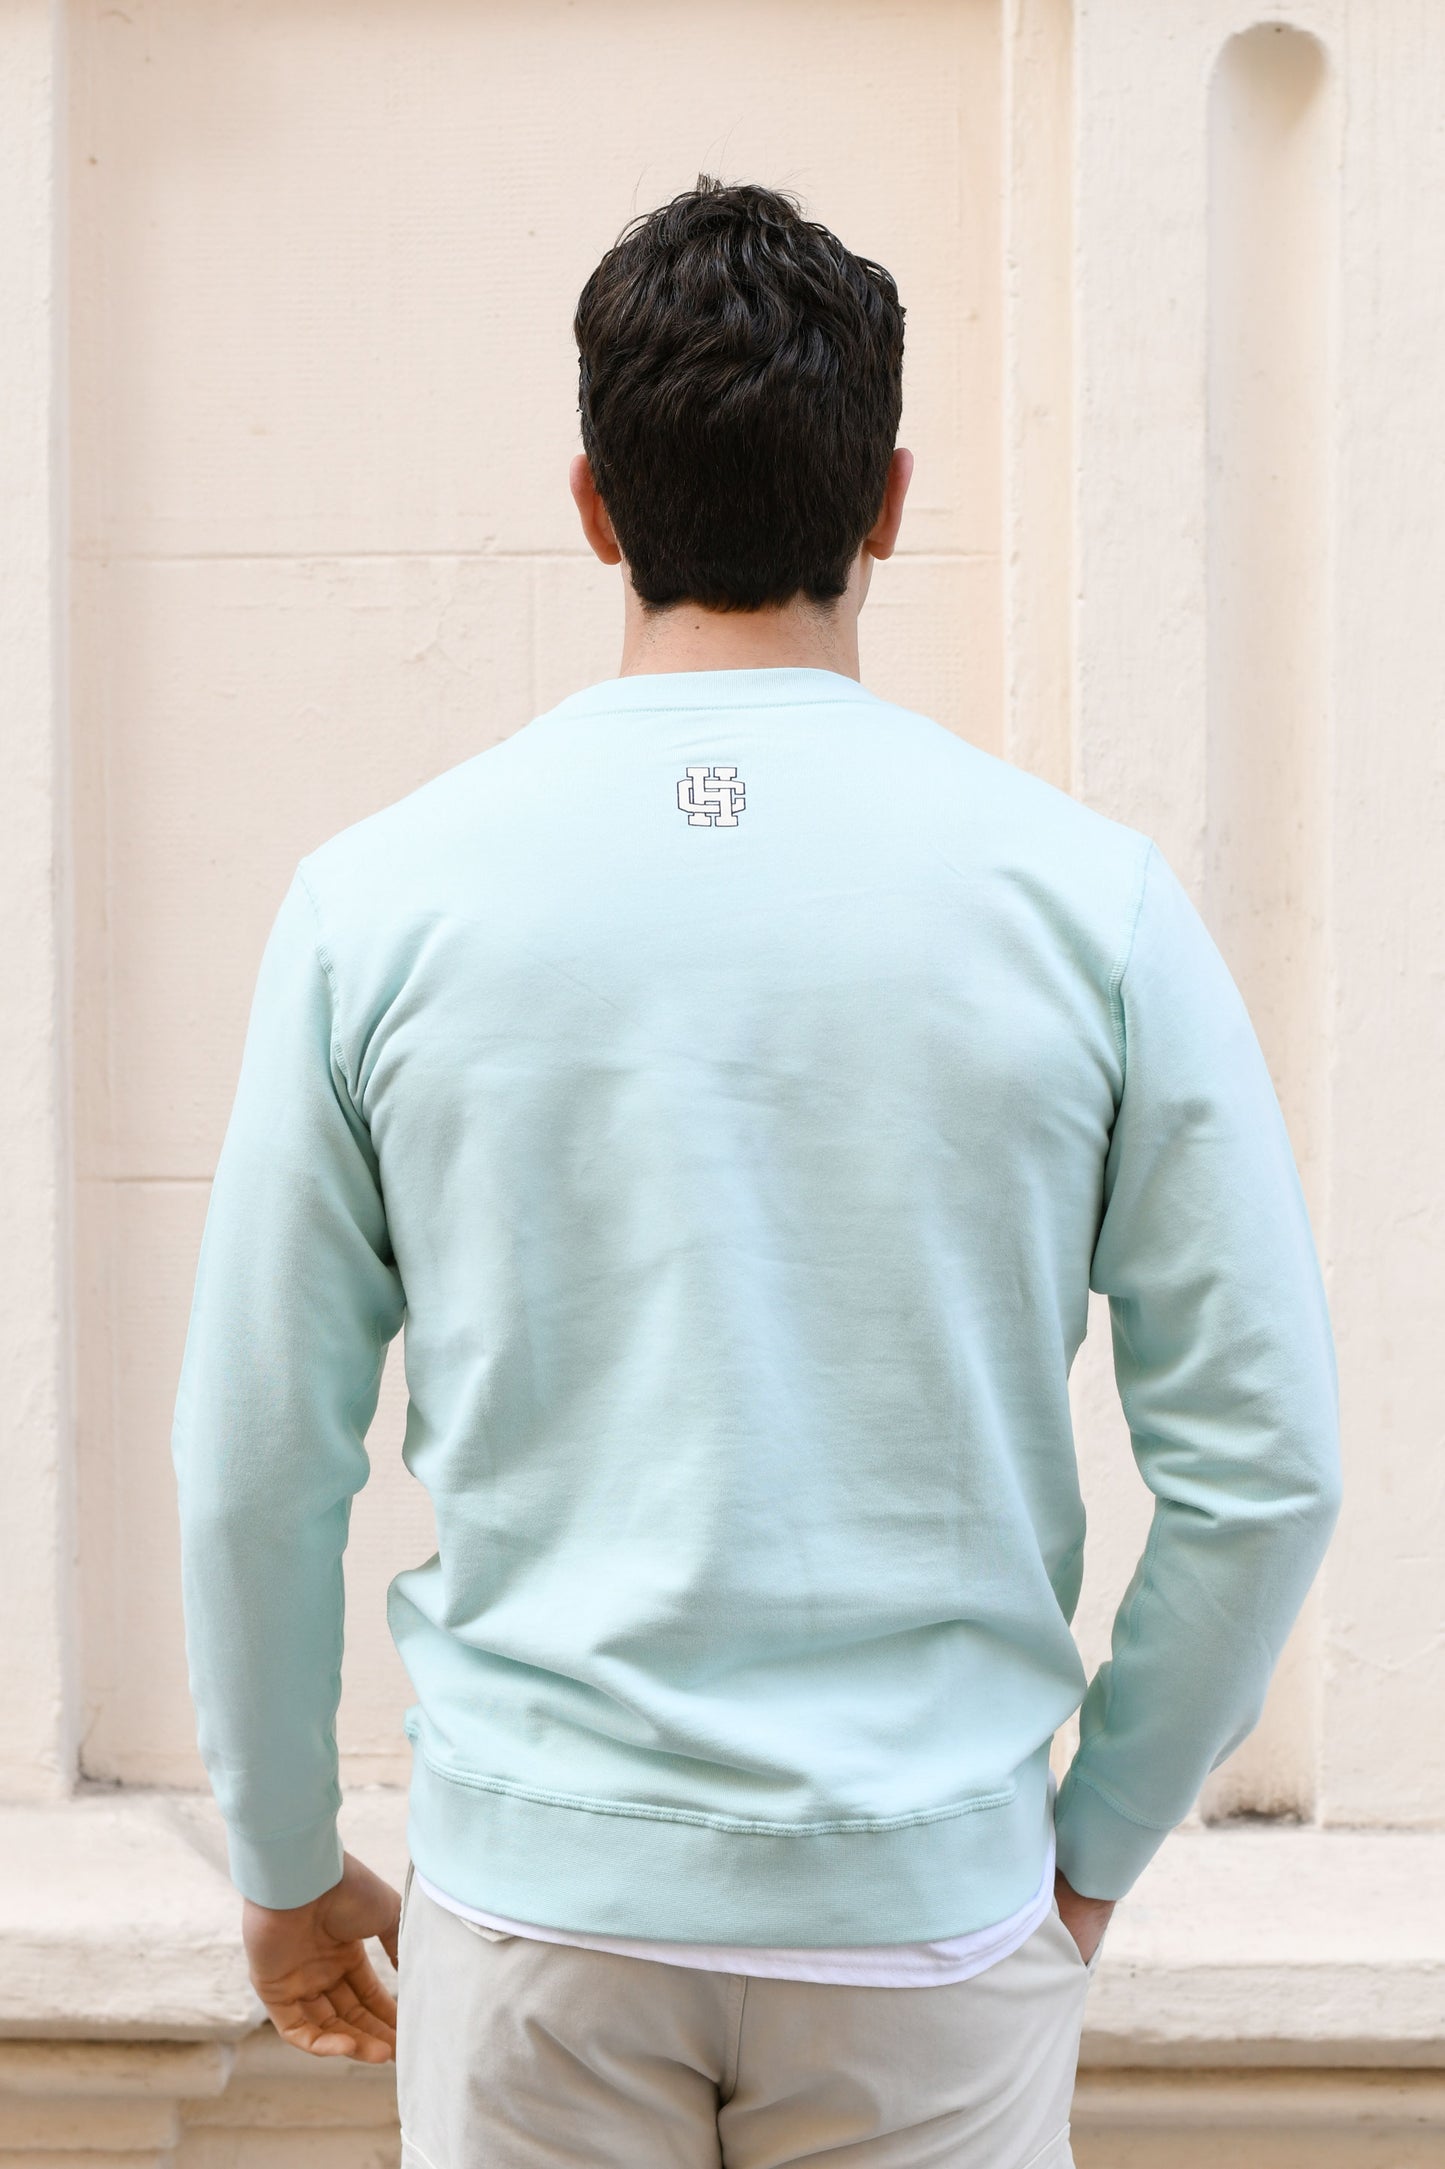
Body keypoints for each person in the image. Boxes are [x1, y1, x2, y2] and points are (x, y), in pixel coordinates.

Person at [170, 177, 1343, 2169]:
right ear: (887, 501)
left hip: (540, 1912)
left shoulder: (375, 908)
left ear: (591, 505)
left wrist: (284, 1861)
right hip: (926, 1918)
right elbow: (1265, 1465)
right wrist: (1085, 1850)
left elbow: (254, 1457)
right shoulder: (1091, 909)